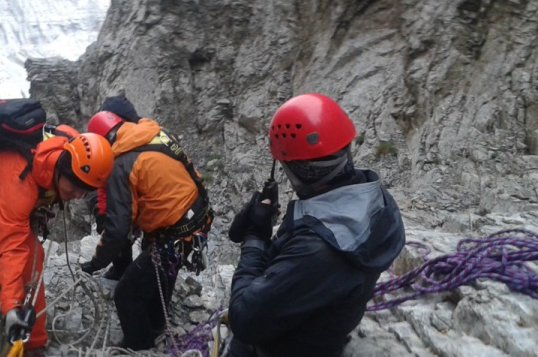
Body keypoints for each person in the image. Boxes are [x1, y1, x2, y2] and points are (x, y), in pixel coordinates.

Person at [226, 93, 405, 357]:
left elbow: (243, 320)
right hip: (324, 329)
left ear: (296, 170)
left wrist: (255, 237)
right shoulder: (376, 200)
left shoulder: (316, 249)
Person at [80, 112, 212, 351]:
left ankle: (139, 348)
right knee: (160, 272)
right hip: (197, 219)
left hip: (172, 233)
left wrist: (96, 262)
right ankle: (156, 324)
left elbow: (118, 231)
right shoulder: (154, 134)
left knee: (126, 295)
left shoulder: (120, 164)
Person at [0, 125, 114, 351]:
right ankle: (33, 345)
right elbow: (12, 247)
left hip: (20, 194)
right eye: (74, 187)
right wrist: (12, 308)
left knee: (29, 251)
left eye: (84, 191)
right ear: (63, 169)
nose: (77, 196)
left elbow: (64, 130)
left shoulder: (70, 150)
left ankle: (1, 285)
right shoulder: (20, 183)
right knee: (30, 254)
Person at [86, 95, 142, 280]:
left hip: (165, 229)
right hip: (183, 217)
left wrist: (96, 263)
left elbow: (118, 223)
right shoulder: (147, 138)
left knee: (128, 296)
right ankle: (122, 265)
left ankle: (123, 268)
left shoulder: (123, 156)